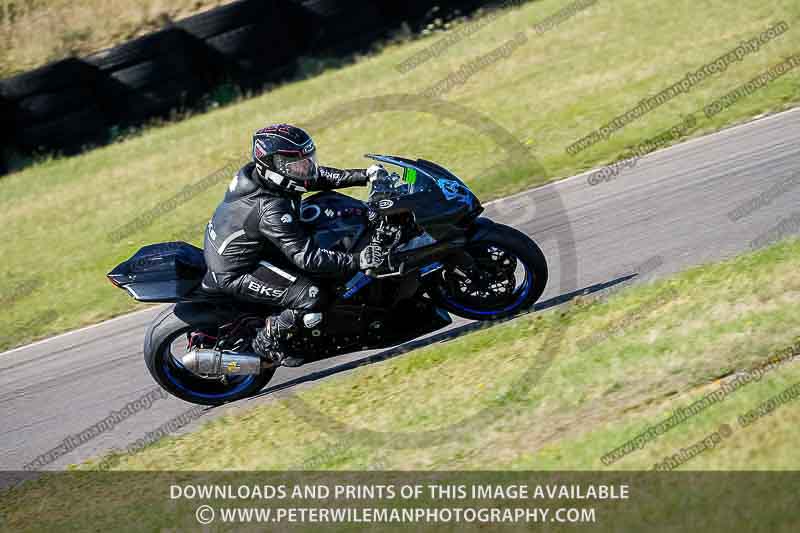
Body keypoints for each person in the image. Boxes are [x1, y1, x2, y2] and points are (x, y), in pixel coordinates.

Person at [202, 123, 387, 366]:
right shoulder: (269, 208)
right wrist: (358, 260)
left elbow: (316, 177)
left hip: (249, 246)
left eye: (307, 160)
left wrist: (364, 175)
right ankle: (267, 340)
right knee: (312, 296)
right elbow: (306, 258)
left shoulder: (262, 175)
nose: (306, 168)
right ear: (272, 166)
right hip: (238, 270)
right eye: (296, 164)